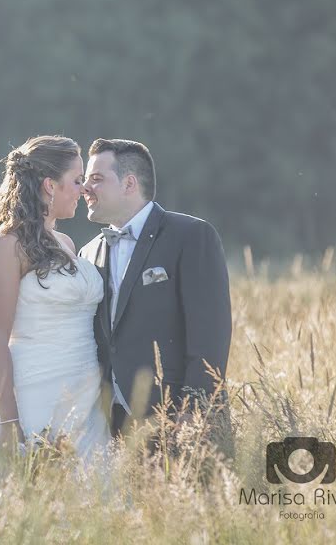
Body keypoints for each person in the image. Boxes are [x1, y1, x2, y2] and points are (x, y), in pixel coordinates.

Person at [0, 135, 110, 496]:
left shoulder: (65, 244)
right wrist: (10, 422)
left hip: (84, 395)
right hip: (33, 395)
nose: (83, 190)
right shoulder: (6, 246)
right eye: (77, 181)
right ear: (50, 185)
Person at [78, 138, 232, 440]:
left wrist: (193, 410)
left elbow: (210, 332)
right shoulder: (89, 252)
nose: (85, 188)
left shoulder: (191, 236)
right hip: (112, 427)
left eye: (96, 179)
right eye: (85, 179)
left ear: (129, 183)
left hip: (178, 418)